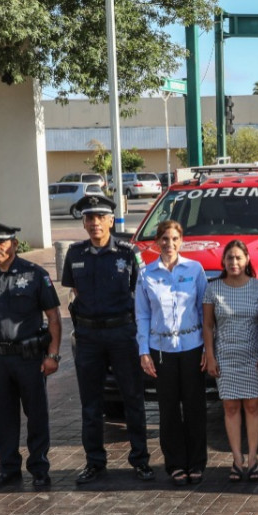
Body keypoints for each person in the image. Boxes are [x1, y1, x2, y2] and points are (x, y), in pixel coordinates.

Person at [0, 222, 62, 490]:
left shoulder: (34, 274)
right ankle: (8, 468)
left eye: (2, 242)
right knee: (3, 416)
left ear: (14, 244)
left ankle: (39, 467)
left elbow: (53, 317)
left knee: (36, 414)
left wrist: (53, 355)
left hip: (29, 357)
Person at [62, 194, 154, 484]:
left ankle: (140, 460)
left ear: (111, 220)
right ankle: (94, 462)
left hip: (122, 334)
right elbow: (74, 291)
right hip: (89, 336)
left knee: (132, 399)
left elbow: (142, 293)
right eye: (89, 218)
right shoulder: (75, 254)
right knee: (91, 404)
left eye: (101, 217)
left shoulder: (127, 253)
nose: (95, 223)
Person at [136, 220, 209, 485]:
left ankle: (197, 462)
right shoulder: (147, 274)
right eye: (164, 239)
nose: (169, 244)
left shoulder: (195, 269)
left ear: (182, 241)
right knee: (168, 410)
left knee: (194, 407)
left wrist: (208, 348)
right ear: (157, 243)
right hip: (162, 349)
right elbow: (142, 315)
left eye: (174, 239)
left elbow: (204, 309)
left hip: (192, 346)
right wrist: (144, 351)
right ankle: (175, 464)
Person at [202, 239, 258, 483]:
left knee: (252, 406)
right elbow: (208, 326)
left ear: (247, 260)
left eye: (238, 257)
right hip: (225, 357)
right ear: (223, 261)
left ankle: (253, 459)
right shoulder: (213, 289)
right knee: (230, 408)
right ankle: (237, 459)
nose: (234, 262)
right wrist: (210, 356)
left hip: (252, 356)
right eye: (229, 258)